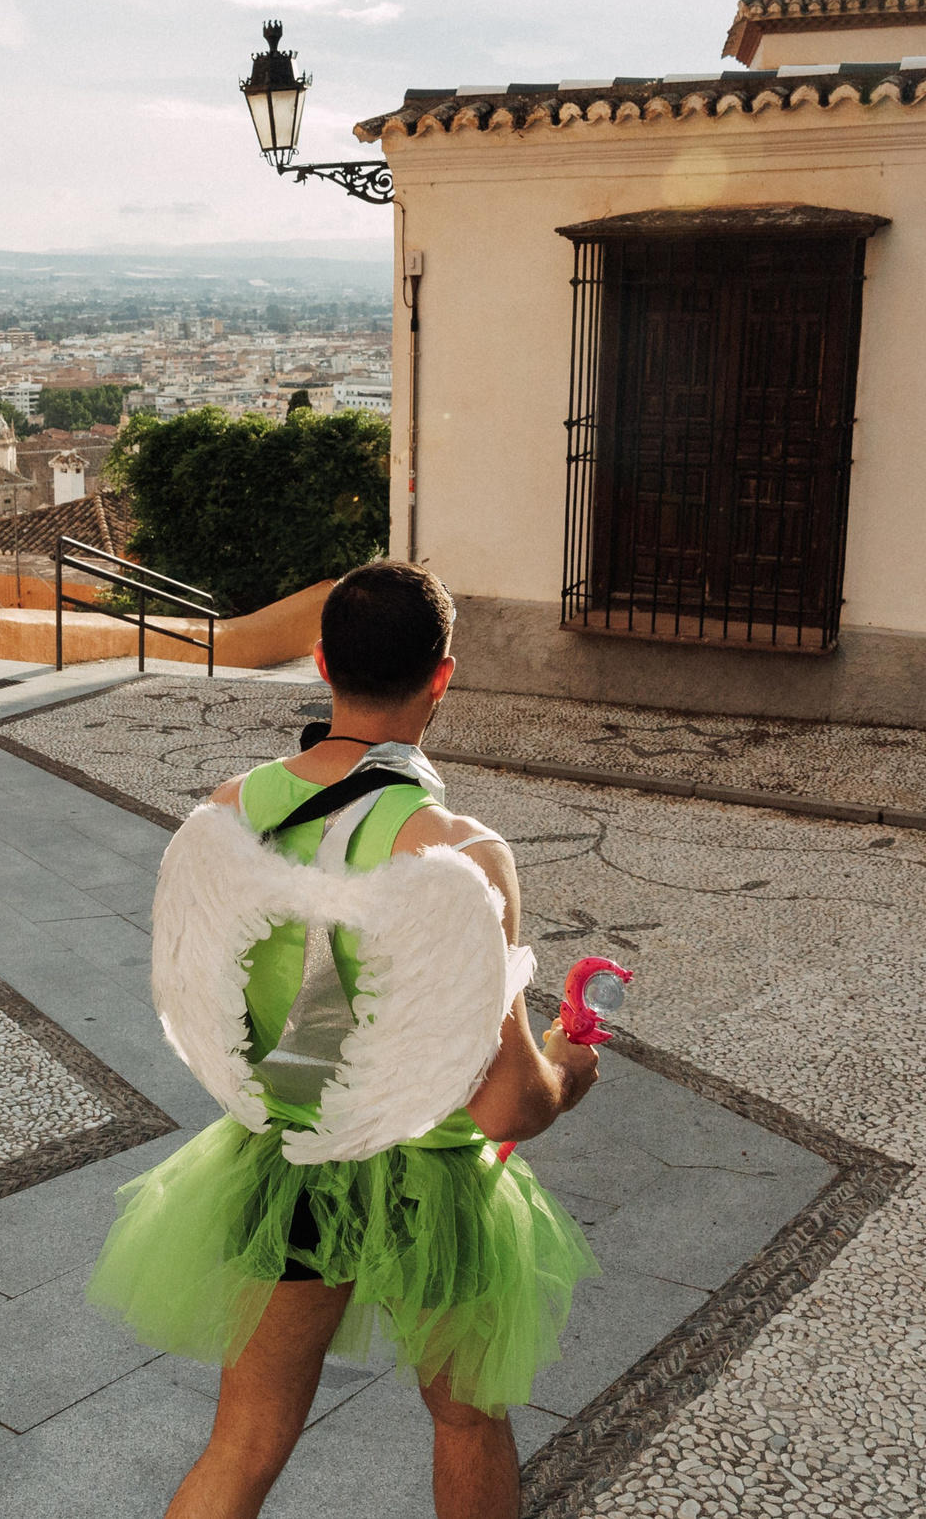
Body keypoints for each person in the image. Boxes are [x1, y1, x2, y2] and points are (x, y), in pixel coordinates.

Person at [88, 562, 602, 1519]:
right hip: (432, 1183)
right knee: (466, 1421)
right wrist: (569, 1070)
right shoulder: (460, 851)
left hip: (289, 1160)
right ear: (442, 676)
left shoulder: (229, 811)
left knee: (244, 1440)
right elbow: (505, 1106)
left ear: (322, 663)